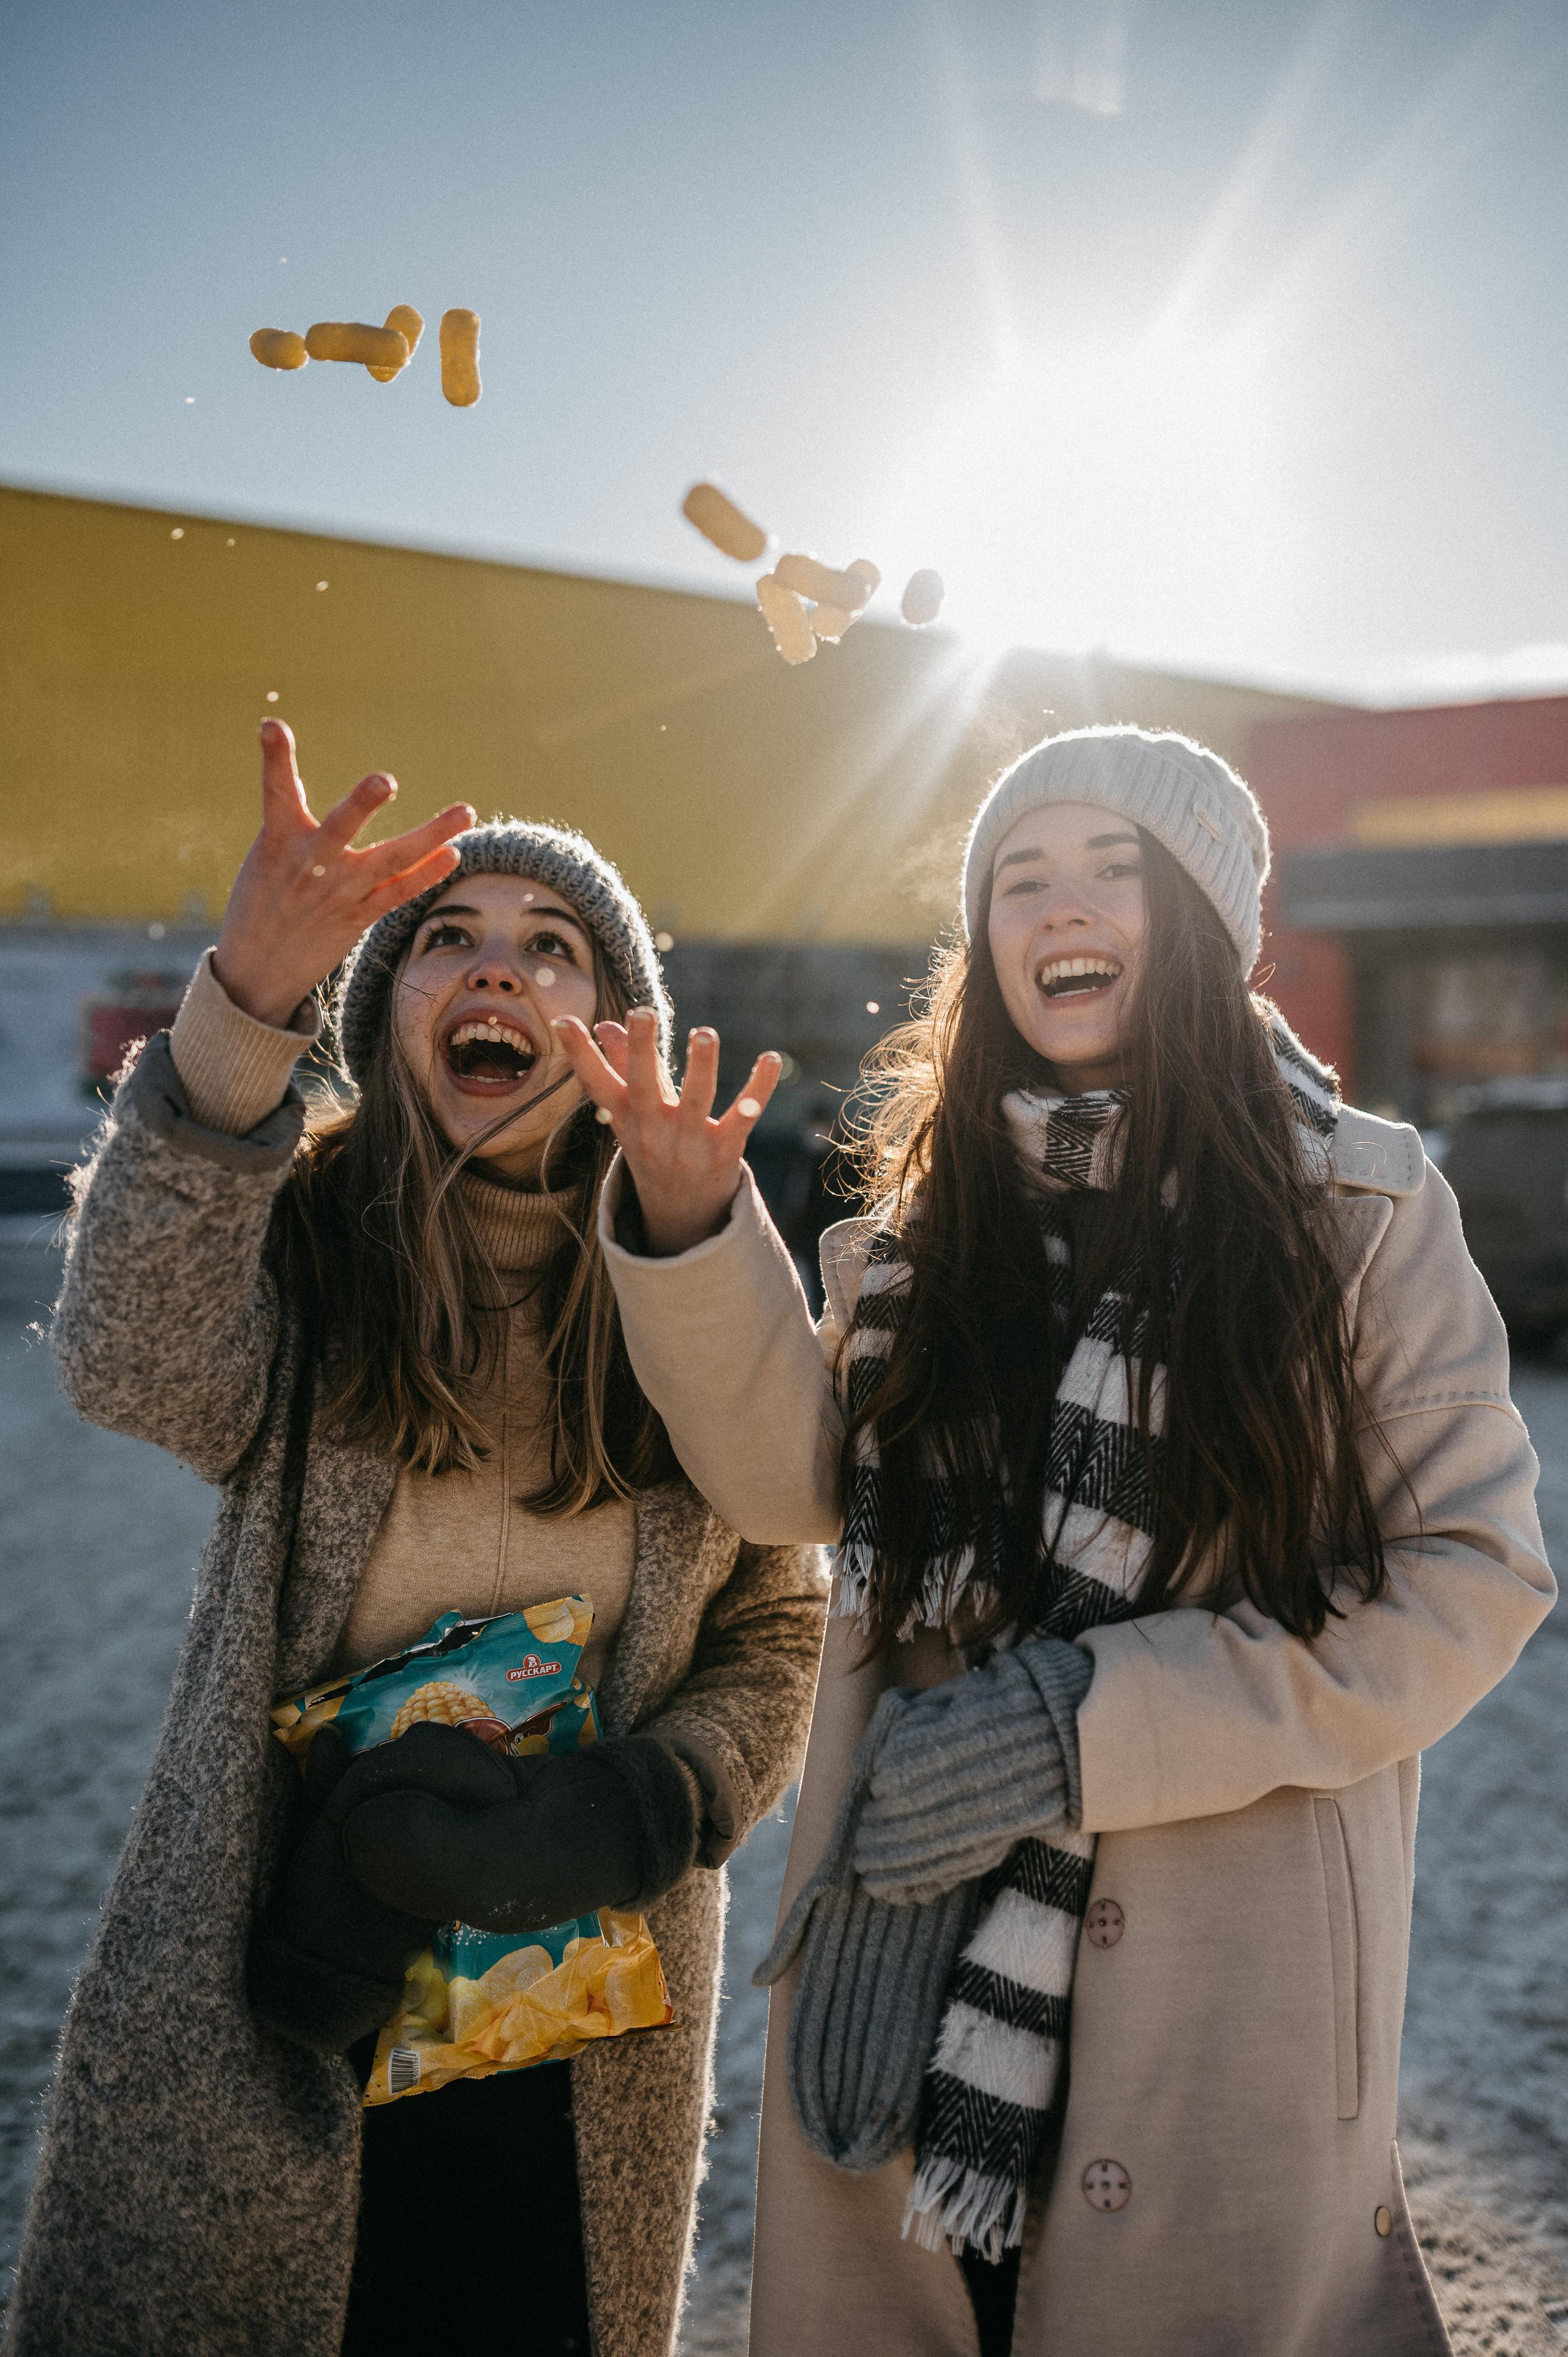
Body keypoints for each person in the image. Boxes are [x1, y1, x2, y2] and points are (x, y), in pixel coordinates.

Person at [555, 724, 1556, 2357]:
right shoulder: (920, 1226)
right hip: (921, 1913)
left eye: (1113, 870)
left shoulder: (1363, 1212)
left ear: (1207, 922)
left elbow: (1470, 1575)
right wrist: (685, 1227)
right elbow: (800, 1488)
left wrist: (1089, 1730)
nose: (1059, 906)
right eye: (1020, 878)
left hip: (1230, 1959)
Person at [8, 720, 827, 2357]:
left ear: (616, 1026)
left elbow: (784, 1607)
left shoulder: (672, 1263)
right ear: (386, 1011)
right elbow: (129, 1363)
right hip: (287, 1950)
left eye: (554, 949)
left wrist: (662, 1797)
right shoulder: (298, 1229)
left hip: (580, 1963)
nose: (497, 971)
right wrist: (241, 1012)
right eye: (446, 938)